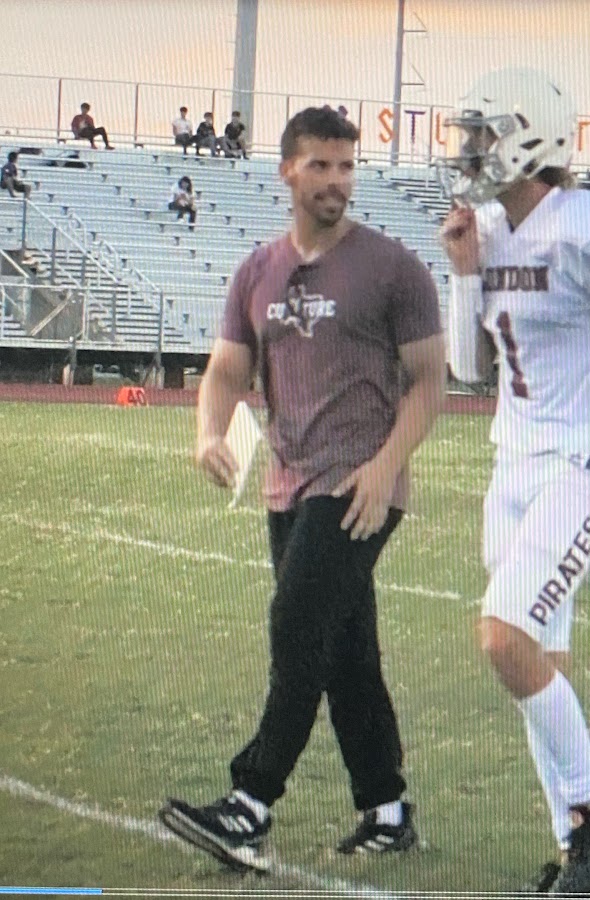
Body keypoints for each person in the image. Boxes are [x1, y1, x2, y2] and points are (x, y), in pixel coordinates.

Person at [158, 105, 446, 874]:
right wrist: (209, 434)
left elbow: (430, 383)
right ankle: (387, 810)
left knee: (296, 624)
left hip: (359, 483)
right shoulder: (257, 272)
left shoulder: (393, 268)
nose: (336, 181)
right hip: (286, 485)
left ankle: (249, 803)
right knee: (346, 651)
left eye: (347, 166)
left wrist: (386, 467)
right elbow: (227, 369)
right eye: (320, 165)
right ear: (287, 169)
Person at [437, 67, 590, 895]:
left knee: (505, 638)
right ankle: (578, 848)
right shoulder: (487, 229)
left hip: (587, 460)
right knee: (540, 662)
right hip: (514, 461)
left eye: (485, 134)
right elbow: (469, 370)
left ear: (530, 136)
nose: (471, 149)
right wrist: (464, 271)